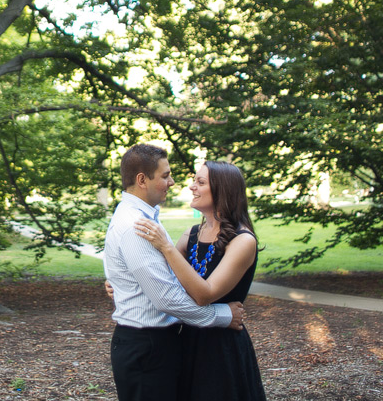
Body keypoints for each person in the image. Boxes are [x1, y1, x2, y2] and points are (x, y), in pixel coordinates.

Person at [104, 144, 244, 401]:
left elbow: (167, 275)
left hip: (167, 345)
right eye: (166, 175)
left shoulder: (147, 219)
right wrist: (224, 315)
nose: (173, 181)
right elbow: (166, 298)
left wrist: (124, 283)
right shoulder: (137, 225)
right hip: (148, 347)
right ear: (142, 180)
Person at [134, 160, 267, 401]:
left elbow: (205, 294)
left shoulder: (243, 241)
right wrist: (123, 286)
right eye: (195, 181)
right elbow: (161, 278)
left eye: (200, 182)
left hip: (221, 348)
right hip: (186, 338)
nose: (191, 187)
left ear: (222, 190)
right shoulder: (192, 234)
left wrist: (165, 246)